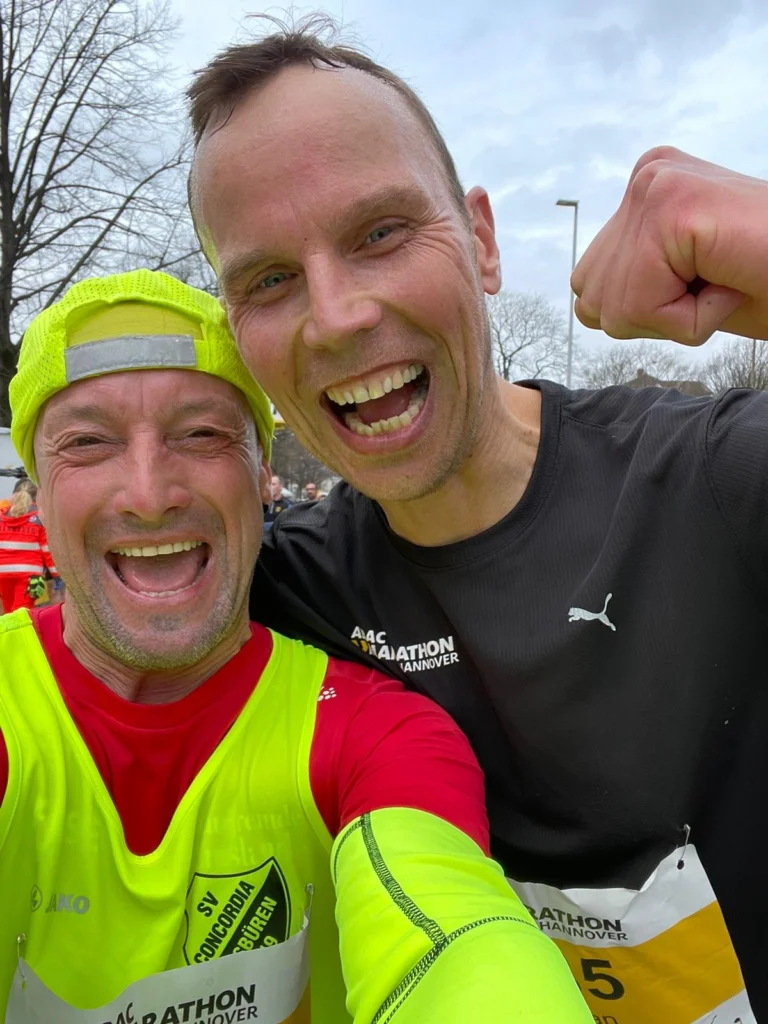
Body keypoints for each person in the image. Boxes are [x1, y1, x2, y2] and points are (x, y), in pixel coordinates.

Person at [188, 19, 768, 1023]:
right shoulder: (284, 587)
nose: (336, 315)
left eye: (379, 233)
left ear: (484, 241)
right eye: (270, 280)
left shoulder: (710, 477)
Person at [0, 269, 589, 1023]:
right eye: (87, 442)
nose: (149, 493)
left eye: (202, 434)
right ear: (38, 495)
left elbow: (456, 941)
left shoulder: (375, 735)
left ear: (262, 475)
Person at [0, 479, 58, 613]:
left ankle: (8, 634)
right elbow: (47, 551)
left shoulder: (1, 519)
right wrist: (56, 574)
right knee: (22, 612)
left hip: (2, 573)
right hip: (29, 575)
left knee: (8, 612)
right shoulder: (38, 520)